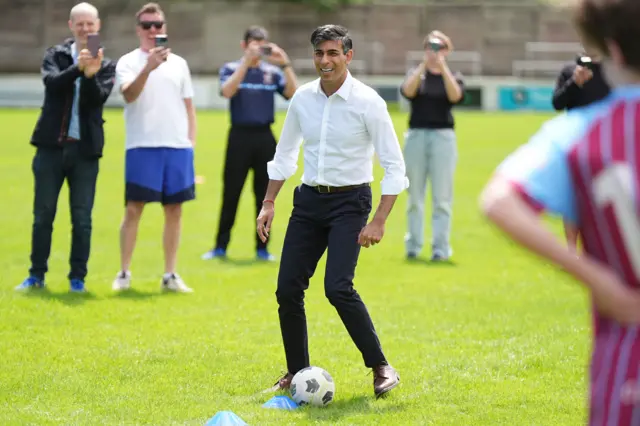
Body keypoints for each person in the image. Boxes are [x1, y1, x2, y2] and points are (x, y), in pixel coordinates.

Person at [480, 0, 640, 423]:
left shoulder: (585, 132)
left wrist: (601, 282)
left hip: (628, 367)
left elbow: (498, 201)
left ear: (614, 49)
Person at [256, 24, 408, 398]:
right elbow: (285, 155)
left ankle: (380, 366)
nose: (325, 61)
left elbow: (394, 166)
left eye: (333, 53)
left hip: (350, 203)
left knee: (337, 287)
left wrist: (379, 220)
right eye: (319, 53)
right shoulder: (303, 99)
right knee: (287, 289)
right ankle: (296, 371)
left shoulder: (368, 102)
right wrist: (269, 202)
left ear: (347, 56)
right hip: (308, 202)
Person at [16, 2, 116, 293]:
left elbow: (96, 100)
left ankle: (77, 278)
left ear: (98, 27)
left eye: (91, 24)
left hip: (85, 153)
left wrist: (89, 76)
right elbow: (52, 84)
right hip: (50, 148)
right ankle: (36, 275)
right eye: (80, 24)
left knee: (82, 218)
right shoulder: (55, 55)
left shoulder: (107, 65)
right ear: (71, 26)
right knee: (43, 215)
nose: (86, 29)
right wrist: (77, 68)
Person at [111, 2, 196, 293]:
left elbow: (189, 106)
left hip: (177, 147)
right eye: (147, 26)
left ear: (164, 28)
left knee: (174, 211)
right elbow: (129, 95)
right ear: (138, 30)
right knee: (134, 209)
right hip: (142, 145)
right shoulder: (128, 62)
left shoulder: (180, 64)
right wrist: (149, 67)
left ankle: (170, 275)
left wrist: (190, 143)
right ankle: (124, 272)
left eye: (157, 25)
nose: (152, 30)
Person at [201, 26, 298, 262]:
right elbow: (227, 91)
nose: (258, 50)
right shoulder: (231, 69)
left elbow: (293, 94)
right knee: (231, 193)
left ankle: (262, 248)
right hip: (239, 137)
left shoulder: (272, 72)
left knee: (265, 196)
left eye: (262, 44)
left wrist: (285, 64)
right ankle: (220, 246)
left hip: (265, 138)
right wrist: (245, 63)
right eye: (254, 44)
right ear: (244, 45)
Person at [399, 30, 465, 262]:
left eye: (438, 47)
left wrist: (442, 67)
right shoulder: (417, 75)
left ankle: (440, 248)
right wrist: (423, 67)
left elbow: (455, 96)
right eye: (429, 46)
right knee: (414, 195)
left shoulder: (453, 75)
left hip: (443, 137)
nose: (433, 51)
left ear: (447, 51)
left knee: (442, 197)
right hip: (416, 135)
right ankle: (413, 246)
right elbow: (407, 91)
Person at [552, 48, 611, 253]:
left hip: (607, 141)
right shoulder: (570, 72)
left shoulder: (612, 72)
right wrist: (574, 83)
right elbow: (557, 103)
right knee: (573, 198)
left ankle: (601, 248)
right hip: (575, 142)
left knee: (605, 196)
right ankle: (571, 250)